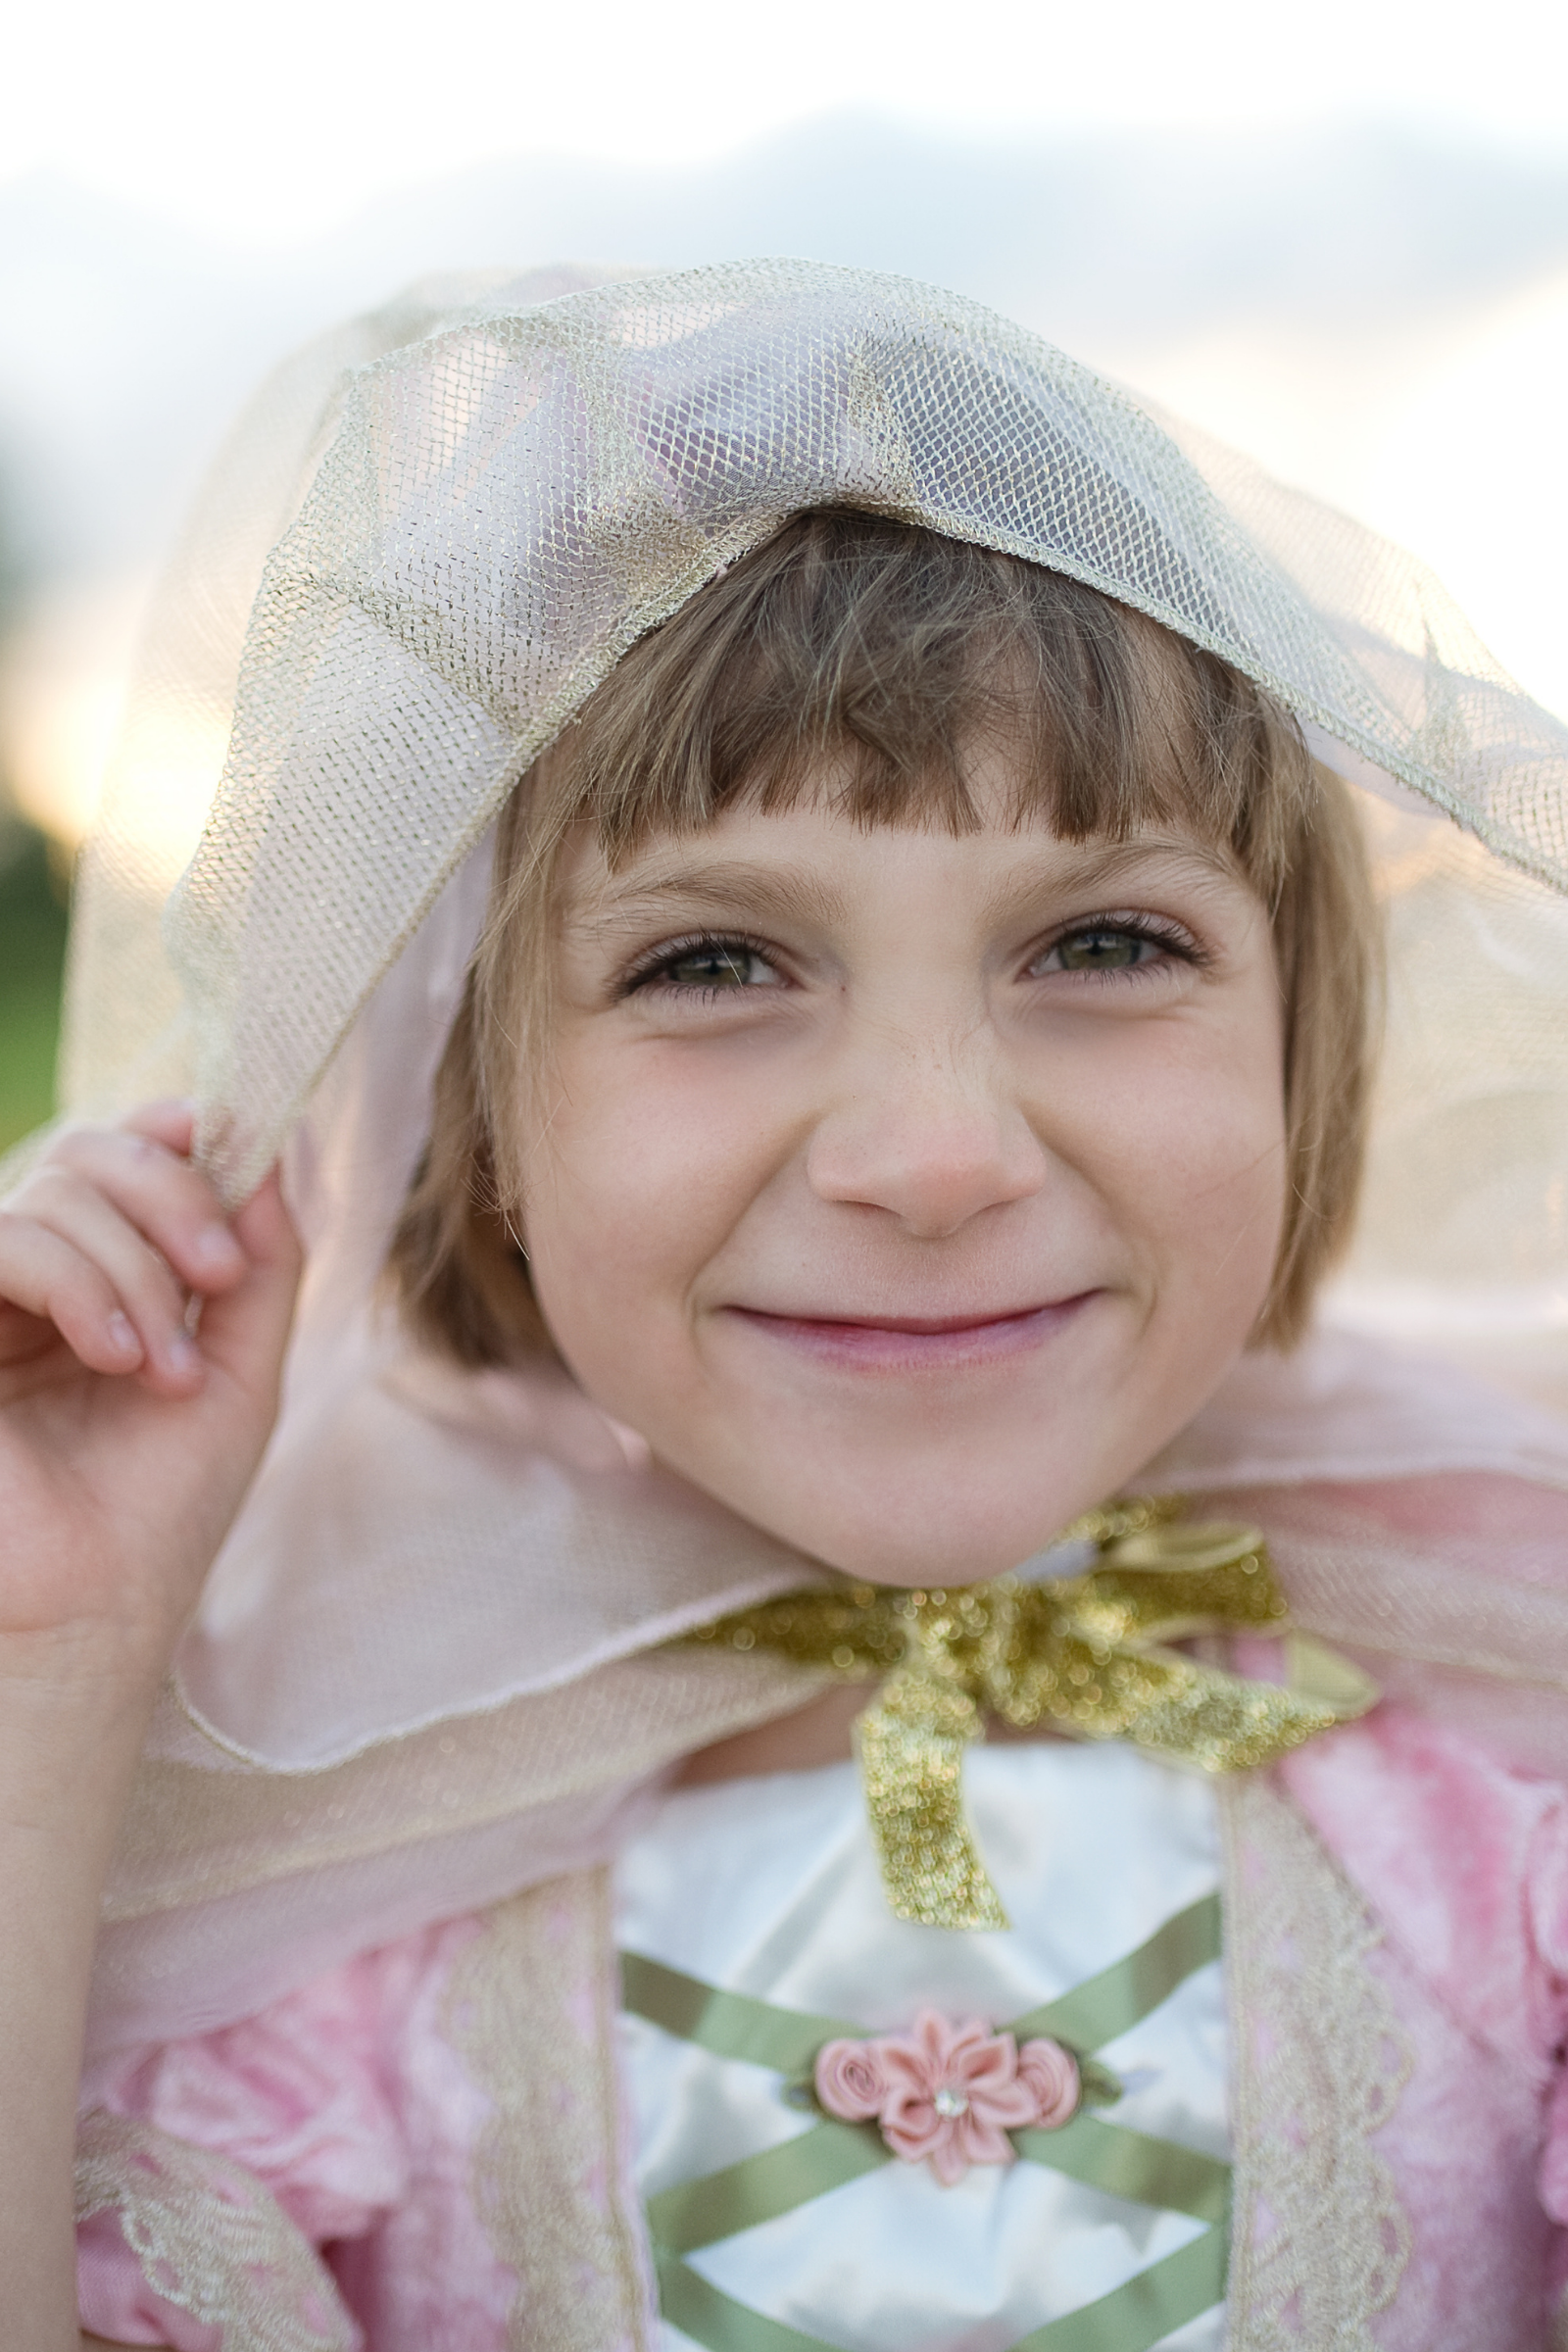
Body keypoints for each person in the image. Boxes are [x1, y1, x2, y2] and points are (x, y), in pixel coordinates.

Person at [3, 260, 1568, 2352]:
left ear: (1305, 1055)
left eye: (1101, 943)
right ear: (472, 1125)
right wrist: (54, 1661)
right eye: (713, 966)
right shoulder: (315, 1928)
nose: (931, 1157)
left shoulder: (1503, 1819)